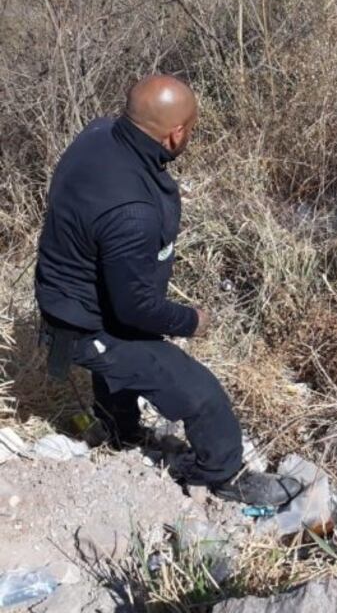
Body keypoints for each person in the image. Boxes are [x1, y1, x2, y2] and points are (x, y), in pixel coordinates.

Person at [35, 75, 300, 506]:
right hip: (83, 321)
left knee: (122, 364)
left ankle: (121, 434)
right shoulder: (131, 213)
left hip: (73, 296)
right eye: (191, 128)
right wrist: (190, 321)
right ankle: (221, 476)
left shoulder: (99, 134)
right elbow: (135, 309)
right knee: (201, 395)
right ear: (175, 134)